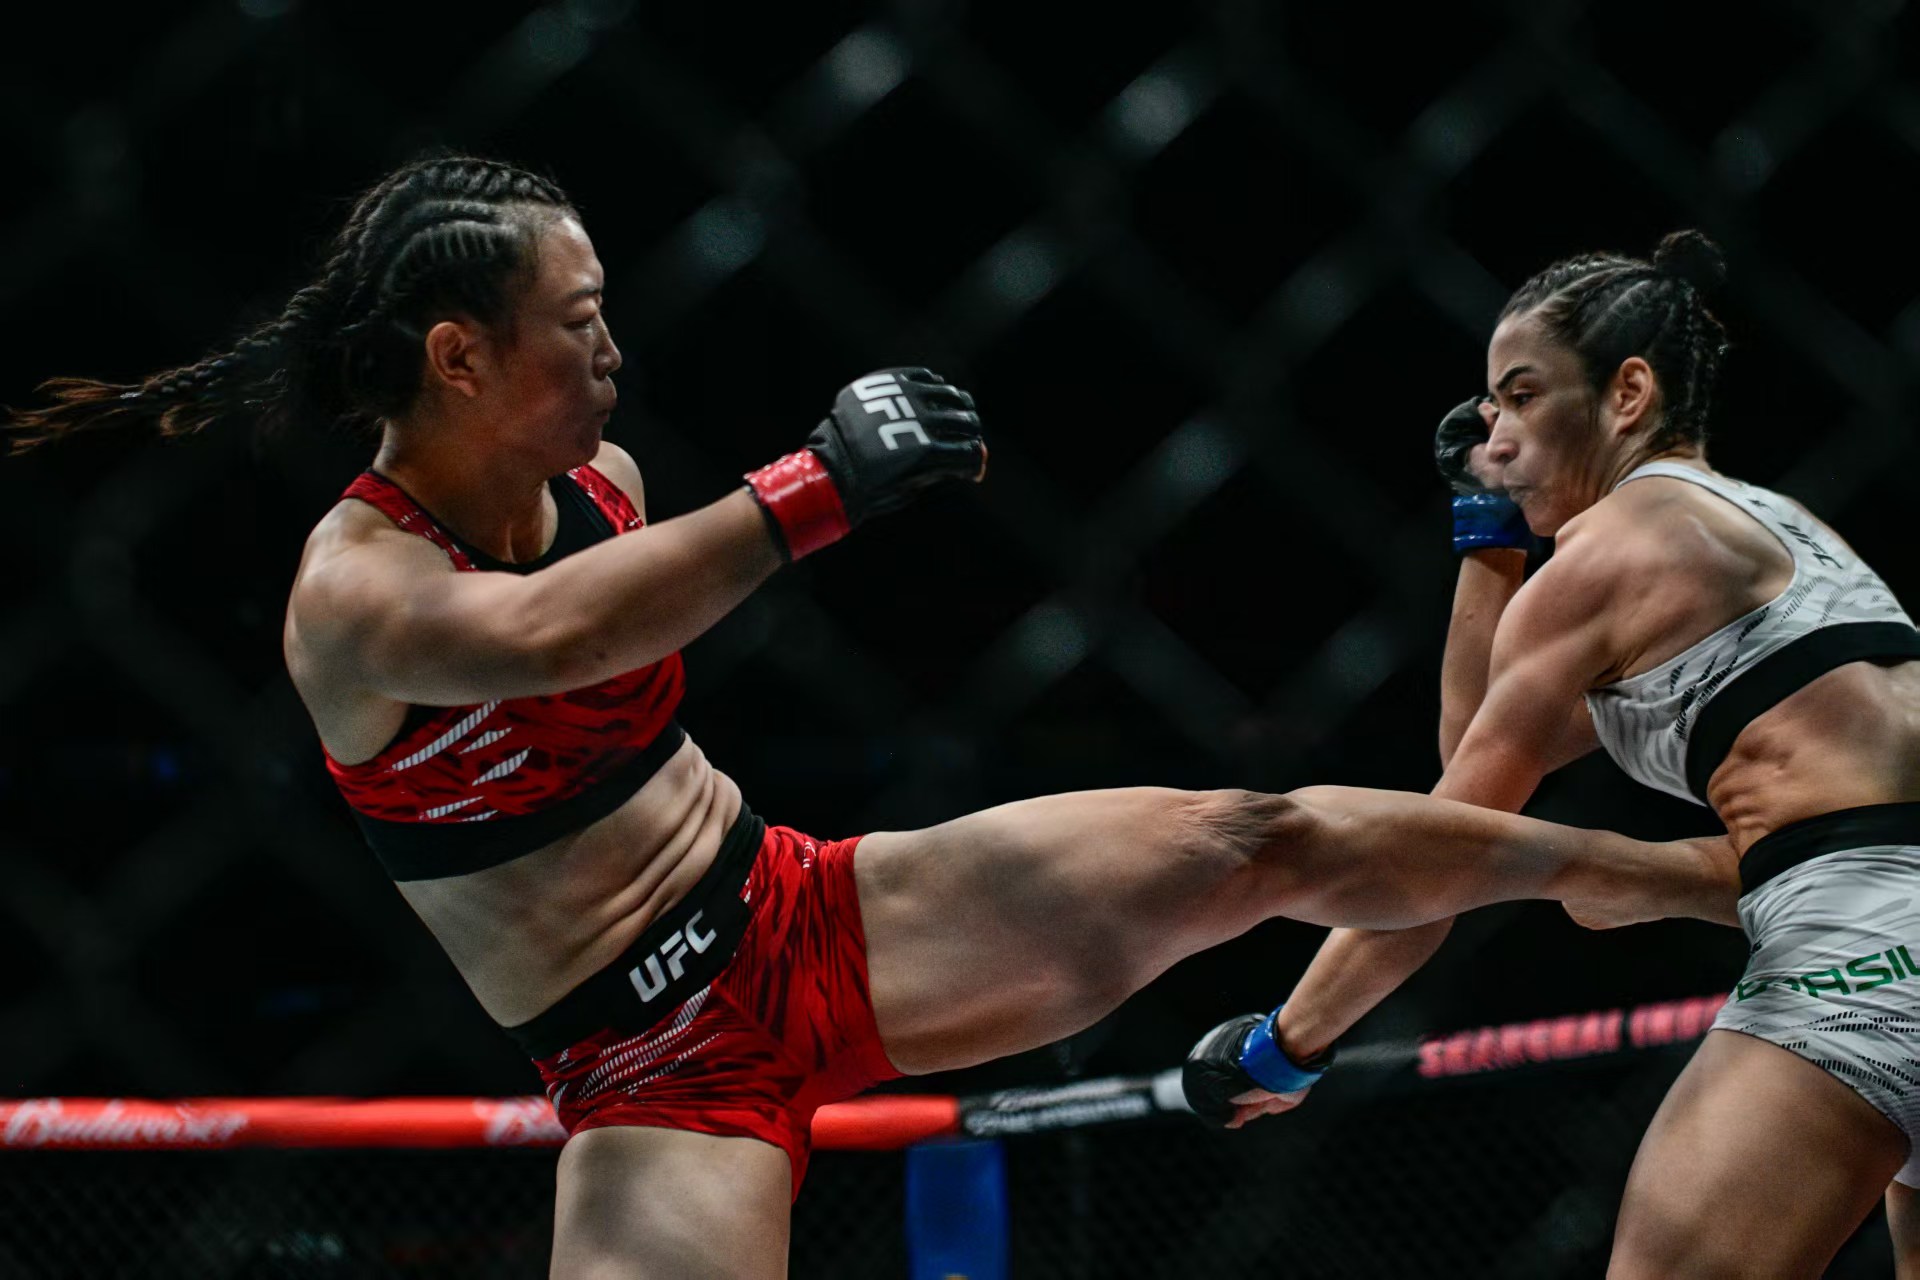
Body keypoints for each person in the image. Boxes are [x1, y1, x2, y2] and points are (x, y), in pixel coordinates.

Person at [8, 157, 1735, 1280]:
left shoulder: (605, 483)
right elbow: (544, 638)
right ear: (460, 359)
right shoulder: (356, 588)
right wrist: (812, 488)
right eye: (578, 324)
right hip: (648, 1066)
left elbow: (619, 600)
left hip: (811, 914)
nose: (613, 354)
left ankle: (1688, 880)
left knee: (1251, 836)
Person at [1187, 230, 1920, 1279]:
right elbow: (1486, 742)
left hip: (1869, 948)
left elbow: (1447, 848)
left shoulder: (1611, 552)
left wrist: (1287, 1043)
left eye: (1523, 397)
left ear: (1628, 394)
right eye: (1489, 408)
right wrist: (1489, 527)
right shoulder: (1769, 527)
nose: (1495, 431)